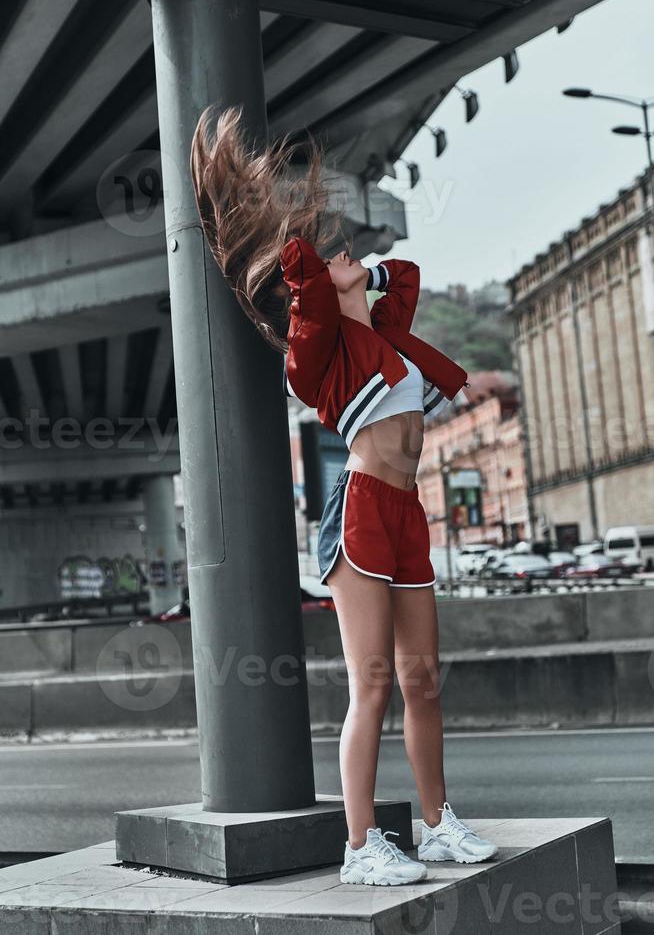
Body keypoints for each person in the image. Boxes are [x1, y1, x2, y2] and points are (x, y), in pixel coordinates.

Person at [190, 105, 498, 887]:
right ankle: (361, 845)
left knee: (424, 679)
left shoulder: (387, 337)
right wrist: (270, 216)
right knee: (373, 684)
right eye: (339, 257)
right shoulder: (319, 353)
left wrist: (361, 282)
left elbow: (411, 276)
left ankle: (435, 827)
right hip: (359, 509)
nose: (352, 253)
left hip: (408, 512)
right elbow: (301, 268)